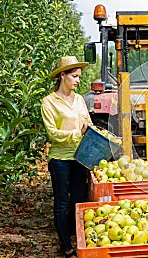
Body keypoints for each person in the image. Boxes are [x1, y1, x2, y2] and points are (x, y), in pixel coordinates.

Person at [41, 56, 92, 258]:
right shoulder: (49, 102)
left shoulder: (79, 99)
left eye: (79, 76)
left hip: (80, 157)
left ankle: (77, 237)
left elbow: (87, 123)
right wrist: (76, 134)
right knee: (62, 202)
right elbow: (52, 134)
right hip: (60, 159)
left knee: (78, 202)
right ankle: (66, 246)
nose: (78, 80)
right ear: (63, 75)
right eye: (74, 76)